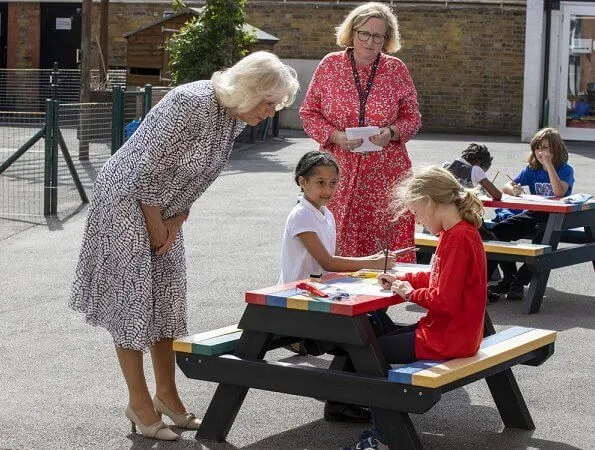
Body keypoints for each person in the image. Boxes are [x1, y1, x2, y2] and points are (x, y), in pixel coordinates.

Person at [69, 51, 299, 440]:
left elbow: (201, 173)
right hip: (126, 200)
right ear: (248, 90)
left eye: (277, 105)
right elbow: (149, 165)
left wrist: (177, 220)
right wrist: (156, 220)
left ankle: (168, 398)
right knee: (133, 303)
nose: (272, 111)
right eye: (269, 102)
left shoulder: (232, 117)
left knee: (168, 301)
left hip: (165, 209)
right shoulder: (191, 102)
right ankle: (139, 404)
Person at [343, 166, 487, 450]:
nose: (418, 221)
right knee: (374, 343)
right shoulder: (457, 232)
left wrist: (410, 293)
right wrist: (403, 278)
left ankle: (385, 434)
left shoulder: (457, 239)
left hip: (448, 338)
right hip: (455, 333)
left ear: (430, 203)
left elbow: (443, 300)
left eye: (418, 213)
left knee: (368, 354)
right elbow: (438, 278)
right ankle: (382, 424)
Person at [300, 2, 421, 262]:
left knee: (384, 242)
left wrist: (391, 131)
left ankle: (380, 301)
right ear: (352, 32)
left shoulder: (396, 69)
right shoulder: (330, 65)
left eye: (378, 36)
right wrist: (335, 136)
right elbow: (308, 113)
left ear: (386, 39)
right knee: (337, 241)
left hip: (386, 172)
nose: (369, 41)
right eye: (364, 33)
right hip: (338, 172)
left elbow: (412, 118)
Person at [279, 150, 397, 285]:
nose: (328, 191)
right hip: (295, 293)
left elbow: (335, 260)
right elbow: (328, 263)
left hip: (320, 288)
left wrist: (374, 258)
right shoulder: (301, 215)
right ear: (302, 182)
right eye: (320, 182)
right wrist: (373, 263)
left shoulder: (327, 214)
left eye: (333, 183)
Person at [487, 127, 574, 301]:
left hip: (555, 218)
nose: (541, 152)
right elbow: (506, 186)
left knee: (541, 243)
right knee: (496, 232)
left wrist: (549, 165)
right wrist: (514, 190)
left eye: (546, 148)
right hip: (533, 214)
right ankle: (509, 277)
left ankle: (519, 282)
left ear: (556, 149)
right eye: (538, 148)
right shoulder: (532, 169)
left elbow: (559, 192)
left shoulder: (565, 170)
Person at [443, 143, 501, 240]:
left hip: (443, 216)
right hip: (462, 217)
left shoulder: (446, 166)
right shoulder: (476, 169)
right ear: (479, 162)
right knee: (490, 237)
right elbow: (497, 195)